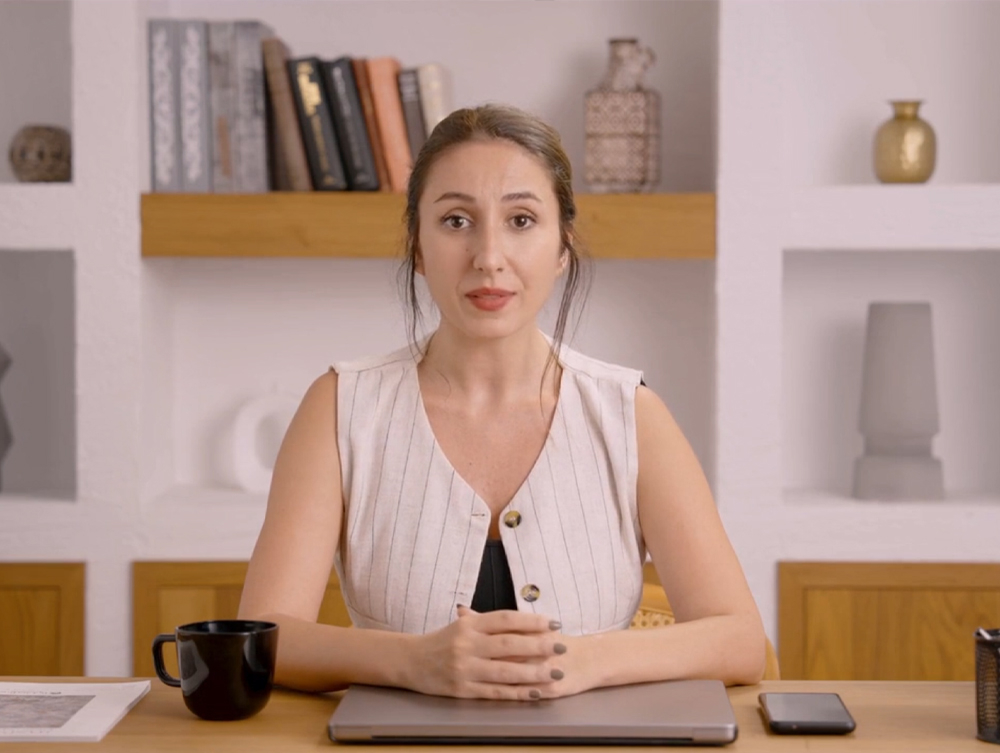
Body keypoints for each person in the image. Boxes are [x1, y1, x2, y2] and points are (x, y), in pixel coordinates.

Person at [238, 103, 766, 701]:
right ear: (417, 247)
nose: (489, 257)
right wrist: (412, 661)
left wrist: (585, 660)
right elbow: (264, 636)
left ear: (562, 247)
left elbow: (741, 640)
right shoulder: (339, 407)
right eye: (456, 221)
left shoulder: (631, 414)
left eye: (521, 220)